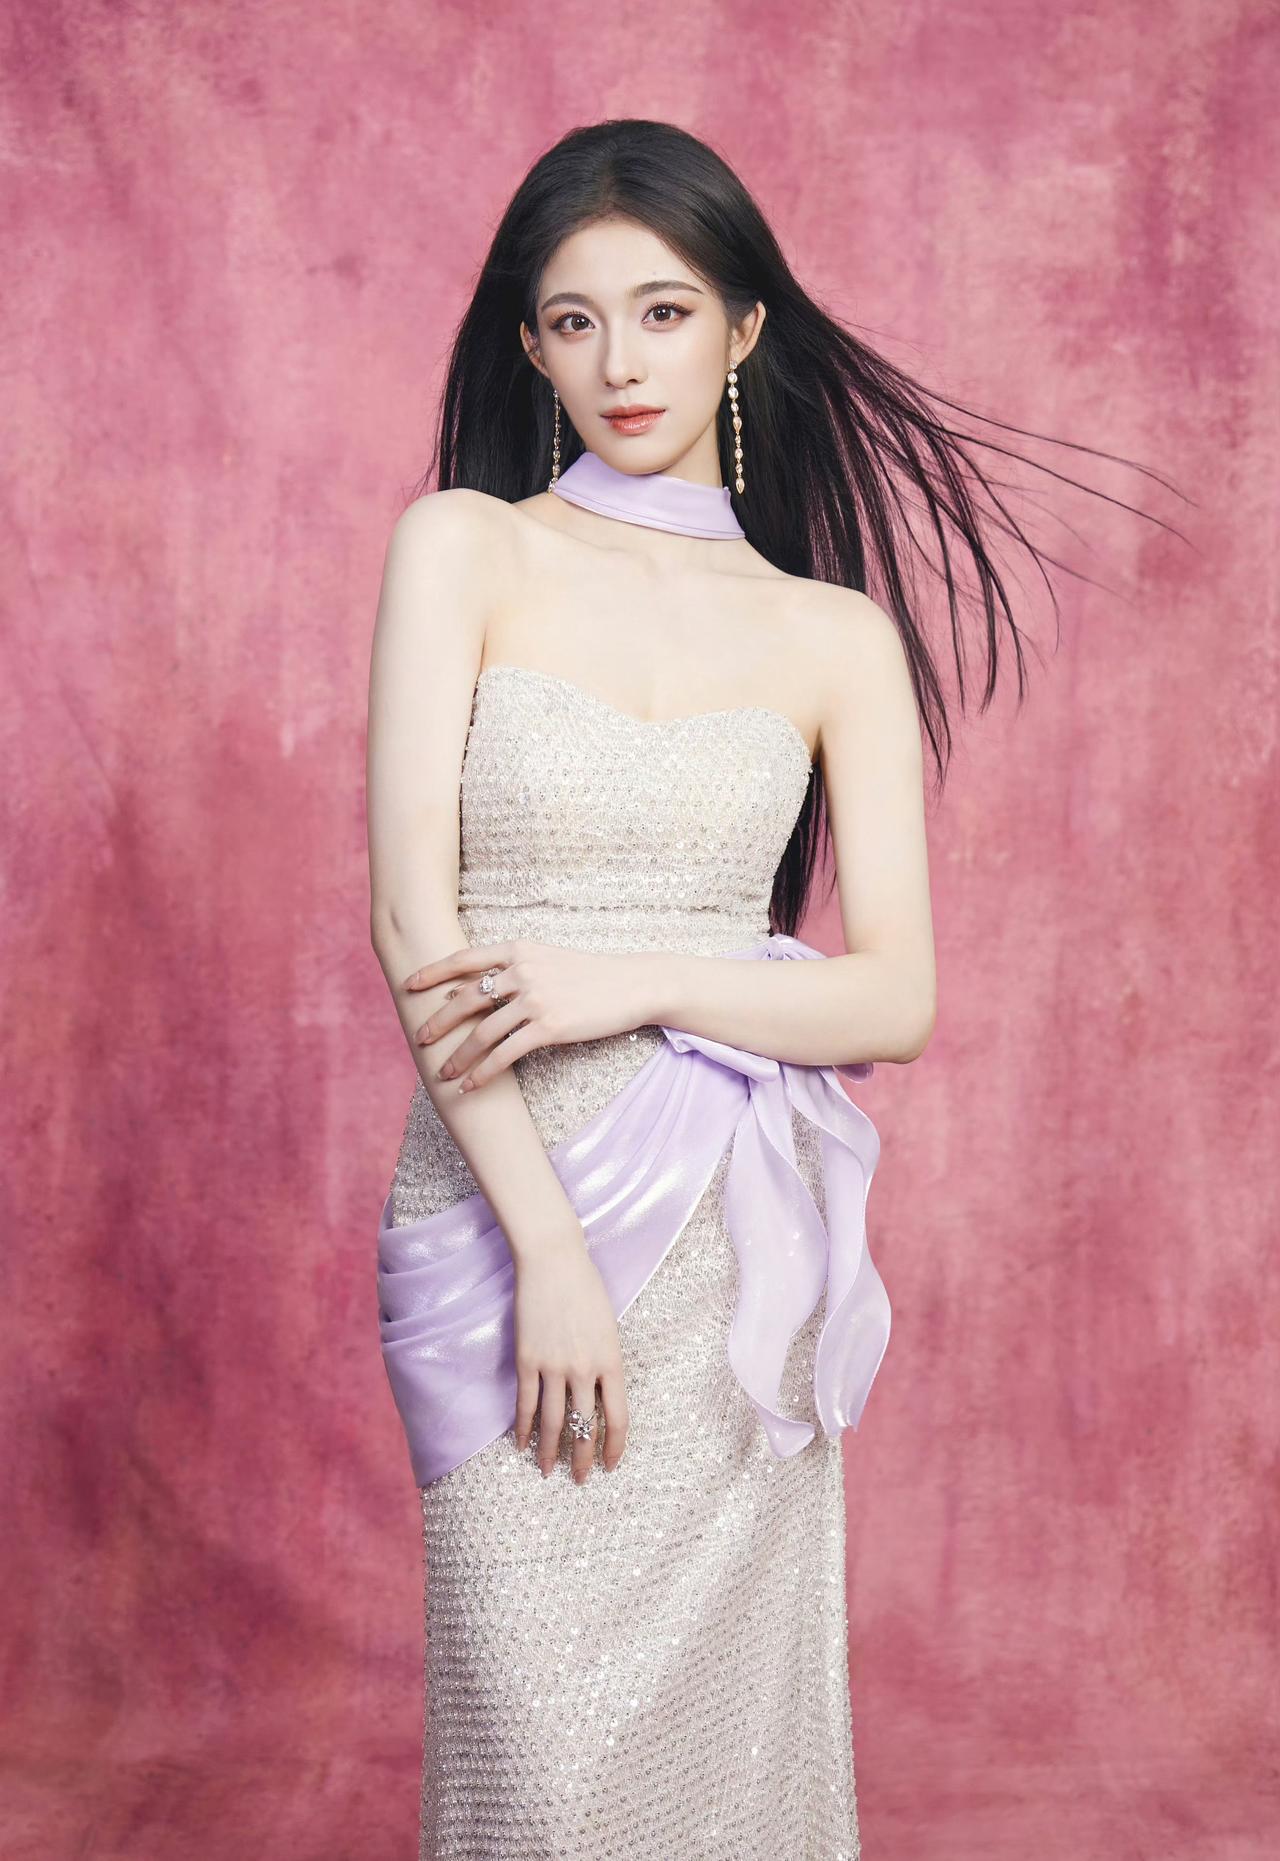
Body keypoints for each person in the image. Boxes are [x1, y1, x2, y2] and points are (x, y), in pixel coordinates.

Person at [365, 118, 1167, 1861]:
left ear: (741, 329)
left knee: (718, 1763)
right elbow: (416, 922)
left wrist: (630, 977)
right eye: (574, 321)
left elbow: (894, 1001)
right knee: (539, 1763)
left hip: (731, 1249)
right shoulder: (464, 549)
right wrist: (547, 1248)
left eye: (664, 312)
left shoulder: (832, 636)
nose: (621, 361)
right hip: (512, 1215)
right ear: (529, 348)